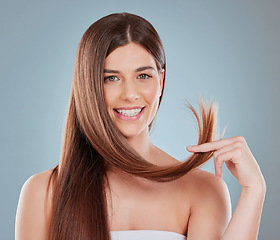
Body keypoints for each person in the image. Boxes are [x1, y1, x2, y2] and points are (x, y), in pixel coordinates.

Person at [15, 12, 266, 240]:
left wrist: (254, 191)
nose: (130, 94)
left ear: (161, 80)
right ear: (87, 85)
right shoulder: (43, 192)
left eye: (143, 76)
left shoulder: (203, 190)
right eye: (111, 78)